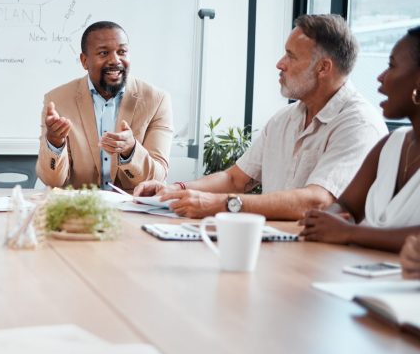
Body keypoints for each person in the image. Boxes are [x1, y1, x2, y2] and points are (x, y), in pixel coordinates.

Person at [135, 14, 387, 220]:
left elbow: (317, 201)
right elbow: (235, 179)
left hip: (326, 263)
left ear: (324, 68)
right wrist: (175, 190)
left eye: (291, 55)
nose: (280, 63)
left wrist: (223, 205)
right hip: (280, 246)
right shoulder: (285, 119)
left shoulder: (360, 125)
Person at [300, 26, 420, 252]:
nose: (380, 77)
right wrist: (323, 220)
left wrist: (349, 232)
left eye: (391, 66)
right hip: (361, 277)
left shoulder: (362, 122)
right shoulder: (392, 144)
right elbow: (346, 206)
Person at [36, 20, 173, 191]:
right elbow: (53, 181)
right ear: (84, 61)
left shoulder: (156, 100)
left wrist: (131, 151)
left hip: (135, 208)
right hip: (81, 208)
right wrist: (54, 142)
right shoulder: (57, 100)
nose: (115, 60)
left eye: (122, 51)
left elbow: (158, 178)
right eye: (103, 53)